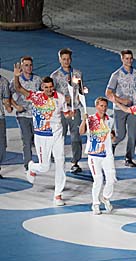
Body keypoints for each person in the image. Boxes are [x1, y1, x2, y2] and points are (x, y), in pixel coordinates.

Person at [13, 63, 70, 206]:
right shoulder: (36, 97)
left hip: (57, 135)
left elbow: (66, 113)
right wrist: (16, 76)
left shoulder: (61, 97)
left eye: (51, 87)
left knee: (60, 162)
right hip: (42, 136)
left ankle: (58, 194)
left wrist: (71, 114)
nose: (49, 89)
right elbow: (19, 88)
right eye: (46, 87)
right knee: (45, 167)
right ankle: (32, 166)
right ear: (42, 88)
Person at [106, 49, 136, 167]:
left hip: (134, 108)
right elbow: (108, 93)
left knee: (133, 134)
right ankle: (112, 145)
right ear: (122, 59)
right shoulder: (116, 75)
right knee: (120, 135)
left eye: (130, 58)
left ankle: (129, 158)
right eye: (126, 58)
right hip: (120, 109)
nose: (129, 60)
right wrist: (121, 100)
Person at [79, 97, 116, 215]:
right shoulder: (90, 119)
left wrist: (113, 137)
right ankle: (95, 204)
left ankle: (105, 197)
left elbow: (112, 134)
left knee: (111, 179)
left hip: (107, 154)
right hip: (94, 154)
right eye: (101, 106)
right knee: (98, 179)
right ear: (96, 106)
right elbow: (81, 132)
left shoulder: (110, 120)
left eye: (105, 106)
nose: (103, 108)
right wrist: (84, 121)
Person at [50, 48, 84, 174]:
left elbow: (80, 90)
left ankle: (75, 162)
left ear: (71, 59)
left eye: (68, 59)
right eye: (63, 59)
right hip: (61, 111)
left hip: (75, 109)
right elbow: (51, 94)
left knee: (76, 136)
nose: (66, 61)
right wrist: (63, 99)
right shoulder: (54, 76)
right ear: (60, 60)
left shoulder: (77, 74)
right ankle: (58, 159)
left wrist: (82, 92)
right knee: (60, 136)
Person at [9, 56, 42, 171]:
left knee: (38, 139)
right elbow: (7, 95)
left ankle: (42, 162)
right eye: (26, 65)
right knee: (26, 140)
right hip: (23, 115)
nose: (29, 67)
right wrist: (16, 106)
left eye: (30, 65)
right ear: (22, 66)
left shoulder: (38, 79)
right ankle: (28, 164)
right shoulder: (16, 80)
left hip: (36, 115)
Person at [0, 73, 11, 179]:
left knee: (2, 145)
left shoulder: (4, 82)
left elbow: (6, 99)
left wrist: (8, 106)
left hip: (0, 117)